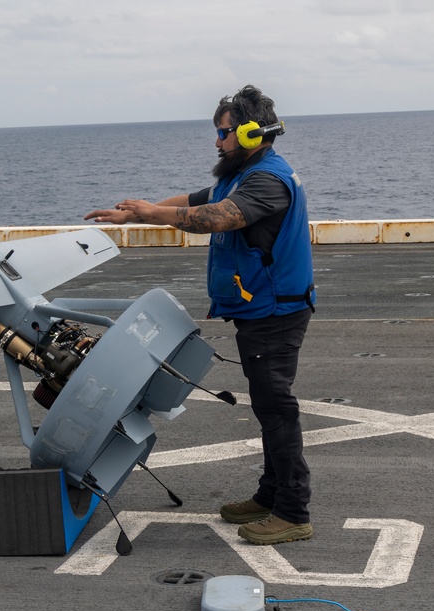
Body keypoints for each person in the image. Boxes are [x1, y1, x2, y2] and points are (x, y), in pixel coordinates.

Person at [84, 85, 315, 546]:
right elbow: (195, 199)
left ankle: (292, 511)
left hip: (276, 313)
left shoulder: (267, 181)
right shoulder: (243, 173)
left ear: (251, 134)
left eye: (223, 132)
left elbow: (216, 217)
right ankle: (270, 496)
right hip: (259, 310)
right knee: (269, 409)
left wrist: (152, 214)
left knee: (277, 409)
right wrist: (137, 214)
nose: (217, 141)